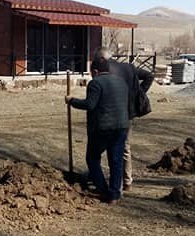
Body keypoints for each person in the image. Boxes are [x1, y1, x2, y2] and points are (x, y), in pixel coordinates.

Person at [65, 56, 129, 204]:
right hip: (122, 127)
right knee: (116, 161)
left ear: (95, 71)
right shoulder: (121, 82)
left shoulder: (95, 83)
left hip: (102, 128)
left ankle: (102, 189)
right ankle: (114, 194)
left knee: (92, 158)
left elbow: (90, 104)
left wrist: (71, 101)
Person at [93, 47, 154, 191]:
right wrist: (139, 93)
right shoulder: (129, 67)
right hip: (129, 112)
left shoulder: (106, 71)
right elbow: (149, 76)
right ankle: (127, 180)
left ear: (101, 59)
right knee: (125, 146)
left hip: (113, 113)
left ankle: (116, 184)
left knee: (112, 148)